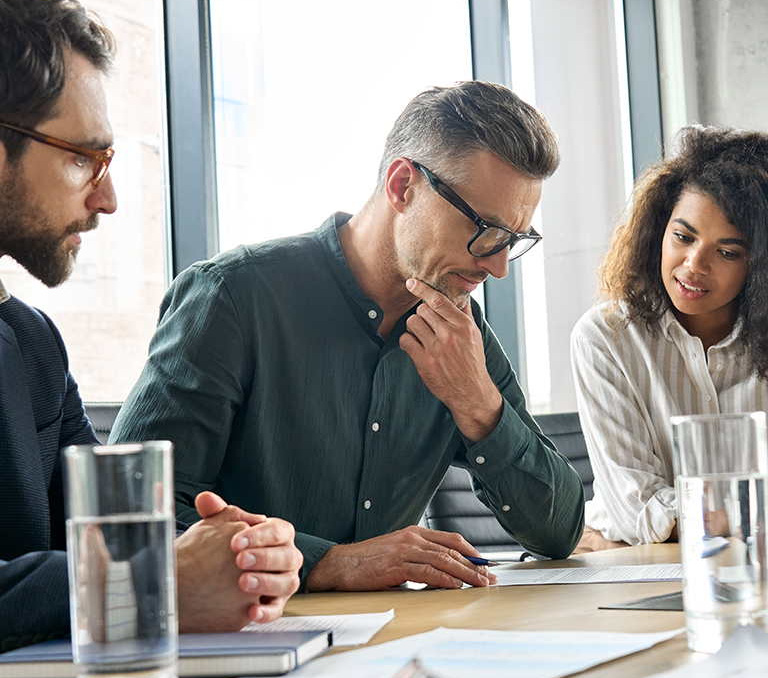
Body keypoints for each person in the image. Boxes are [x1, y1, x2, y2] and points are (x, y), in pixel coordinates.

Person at [111, 80, 585, 591]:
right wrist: (329, 562)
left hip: (395, 647)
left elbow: (558, 533)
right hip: (247, 646)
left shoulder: (460, 332)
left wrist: (478, 405)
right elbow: (128, 512)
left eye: (513, 242)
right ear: (403, 185)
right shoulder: (233, 298)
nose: (498, 269)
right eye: (486, 231)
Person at [0, 0, 302, 652]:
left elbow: (110, 537)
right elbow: (130, 573)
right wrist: (153, 583)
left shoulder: (32, 345)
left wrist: (239, 557)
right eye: (83, 157)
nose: (107, 199)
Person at [571, 124, 768, 552]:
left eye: (728, 252)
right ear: (660, 230)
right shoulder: (606, 337)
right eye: (683, 236)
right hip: (627, 561)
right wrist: (750, 513)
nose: (694, 264)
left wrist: (709, 516)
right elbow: (638, 508)